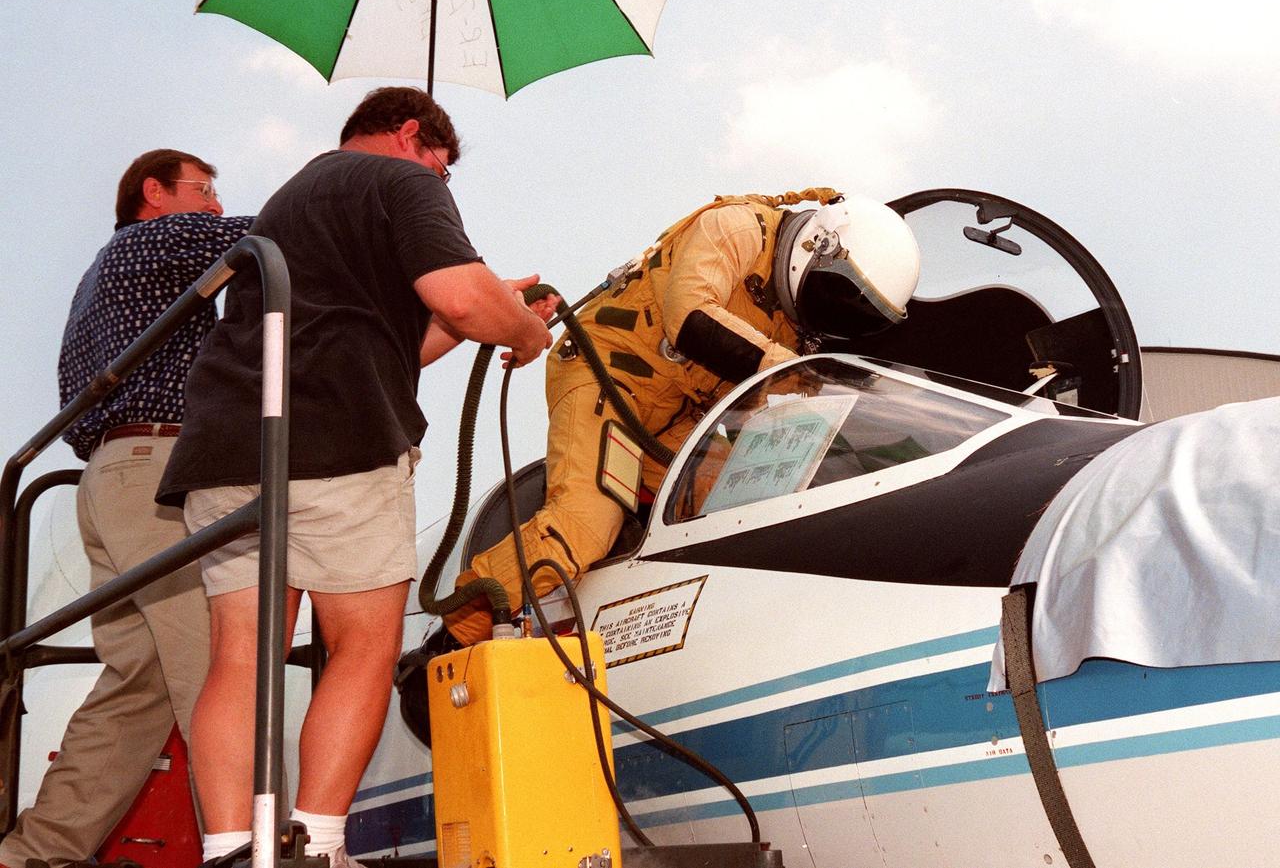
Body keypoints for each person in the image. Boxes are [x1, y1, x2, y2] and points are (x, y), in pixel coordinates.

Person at [154, 87, 555, 867]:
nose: (442, 188)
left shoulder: (291, 200)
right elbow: (462, 296)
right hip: (339, 441)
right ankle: (321, 843)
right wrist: (526, 328)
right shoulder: (403, 183)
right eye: (443, 171)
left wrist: (495, 308)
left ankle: (232, 849)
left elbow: (399, 343)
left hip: (233, 441)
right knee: (363, 646)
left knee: (243, 655)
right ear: (411, 135)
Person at [445, 189, 922, 645]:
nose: (833, 317)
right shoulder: (736, 227)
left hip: (679, 417)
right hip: (607, 376)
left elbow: (757, 397)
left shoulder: (796, 326)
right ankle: (451, 636)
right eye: (837, 296)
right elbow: (691, 318)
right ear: (816, 245)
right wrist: (798, 372)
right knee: (586, 522)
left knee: (750, 502)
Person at [0, 150, 251, 868]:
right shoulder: (159, 240)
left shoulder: (98, 273)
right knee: (217, 667)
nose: (212, 205)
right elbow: (285, 229)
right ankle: (257, 850)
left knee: (136, 682)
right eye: (203, 190)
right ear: (153, 192)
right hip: (156, 474)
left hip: (109, 477)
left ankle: (34, 853)